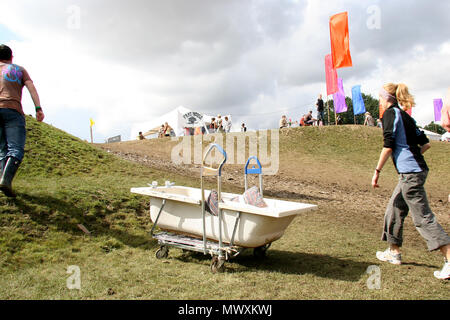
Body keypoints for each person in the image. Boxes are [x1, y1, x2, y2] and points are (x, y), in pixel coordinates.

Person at [372, 83, 450, 280]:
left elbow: (388, 145)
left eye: (380, 98)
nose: (379, 102)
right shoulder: (406, 116)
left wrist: (377, 171)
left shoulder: (390, 114)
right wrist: (411, 156)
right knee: (394, 207)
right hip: (415, 171)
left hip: (410, 173)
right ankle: (394, 252)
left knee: (422, 217)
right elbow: (425, 143)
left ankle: (449, 259)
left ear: (385, 98)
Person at [0, 45, 44, 197]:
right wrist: (38, 108)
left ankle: (4, 181)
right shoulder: (19, 70)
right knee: (16, 149)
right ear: (11, 57)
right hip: (12, 109)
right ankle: (5, 180)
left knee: (2, 150)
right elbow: (31, 88)